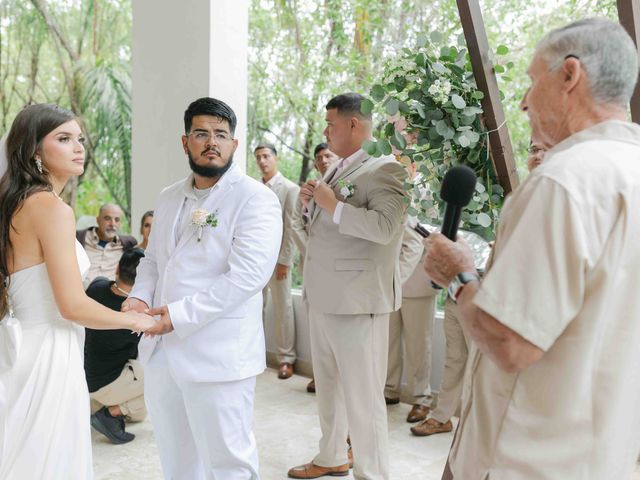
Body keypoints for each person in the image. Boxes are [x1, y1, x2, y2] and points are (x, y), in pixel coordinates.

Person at [425, 18, 640, 480]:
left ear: (569, 76)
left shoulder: (564, 181)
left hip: (523, 459)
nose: (522, 102)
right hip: (605, 458)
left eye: (530, 80)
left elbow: (510, 344)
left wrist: (460, 275)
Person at [123, 97, 282, 480]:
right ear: (185, 142)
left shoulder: (255, 198)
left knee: (228, 463)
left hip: (219, 356)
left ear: (234, 144)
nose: (212, 142)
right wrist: (138, 297)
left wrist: (176, 316)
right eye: (201, 133)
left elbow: (246, 278)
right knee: (177, 462)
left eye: (221, 135)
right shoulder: (167, 196)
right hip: (162, 356)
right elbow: (154, 261)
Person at [0, 104, 153, 479]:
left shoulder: (14, 203)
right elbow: (71, 305)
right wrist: (133, 319)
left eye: (79, 139)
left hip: (21, 348)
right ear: (35, 150)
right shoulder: (51, 208)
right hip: (50, 351)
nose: (78, 147)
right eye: (64, 139)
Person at [288, 93, 408, 480]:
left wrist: (333, 205)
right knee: (329, 389)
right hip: (324, 294)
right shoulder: (338, 168)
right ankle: (331, 455)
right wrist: (311, 204)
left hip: (358, 300)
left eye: (331, 125)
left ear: (354, 125)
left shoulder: (387, 168)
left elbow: (385, 229)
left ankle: (374, 474)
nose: (326, 132)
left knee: (363, 399)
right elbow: (323, 227)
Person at [85, 248, 148, 444]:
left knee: (141, 414)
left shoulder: (95, 288)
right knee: (167, 380)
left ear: (118, 268)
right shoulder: (138, 316)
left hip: (87, 376)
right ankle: (110, 413)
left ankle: (101, 405)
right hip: (108, 382)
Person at [292, 142, 339, 394]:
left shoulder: (345, 186)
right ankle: (320, 375)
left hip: (338, 270)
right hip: (310, 264)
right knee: (315, 324)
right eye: (319, 157)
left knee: (335, 326)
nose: (323, 160)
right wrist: (312, 249)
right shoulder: (307, 189)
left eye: (327, 155)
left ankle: (337, 377)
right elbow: (296, 223)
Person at [385, 223, 438, 424]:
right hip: (389, 285)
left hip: (415, 284)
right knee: (388, 341)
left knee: (419, 345)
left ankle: (421, 399)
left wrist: (393, 282)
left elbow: (414, 244)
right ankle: (390, 390)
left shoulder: (412, 200)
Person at [254, 143, 299, 379]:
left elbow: (292, 227)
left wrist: (285, 260)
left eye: (266, 156)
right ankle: (255, 355)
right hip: (255, 261)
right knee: (253, 308)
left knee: (284, 309)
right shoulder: (254, 189)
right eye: (258, 157)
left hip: (278, 261)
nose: (262, 161)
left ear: (275, 158)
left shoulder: (290, 189)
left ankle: (286, 359)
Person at [76, 203, 137, 284]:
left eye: (117, 220)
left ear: (120, 223)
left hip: (111, 293)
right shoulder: (79, 238)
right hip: (82, 291)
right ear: (98, 220)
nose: (112, 224)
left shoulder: (128, 243)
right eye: (107, 218)